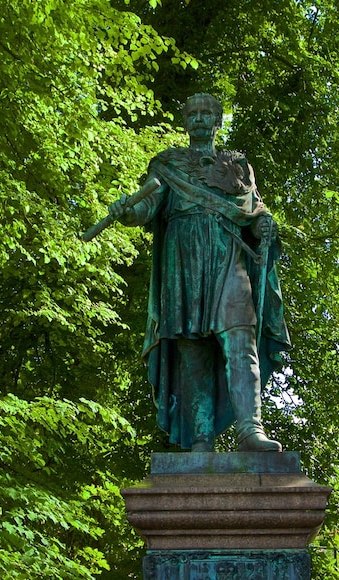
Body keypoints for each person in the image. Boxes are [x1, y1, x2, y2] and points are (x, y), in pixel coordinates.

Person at [109, 93, 290, 452]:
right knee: (194, 353)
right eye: (193, 113)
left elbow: (253, 210)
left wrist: (264, 224)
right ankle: (201, 437)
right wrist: (126, 213)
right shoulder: (166, 164)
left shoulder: (238, 165)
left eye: (207, 113)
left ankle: (250, 430)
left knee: (242, 341)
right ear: (185, 120)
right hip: (184, 262)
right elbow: (147, 207)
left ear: (218, 119)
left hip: (228, 258)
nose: (200, 119)